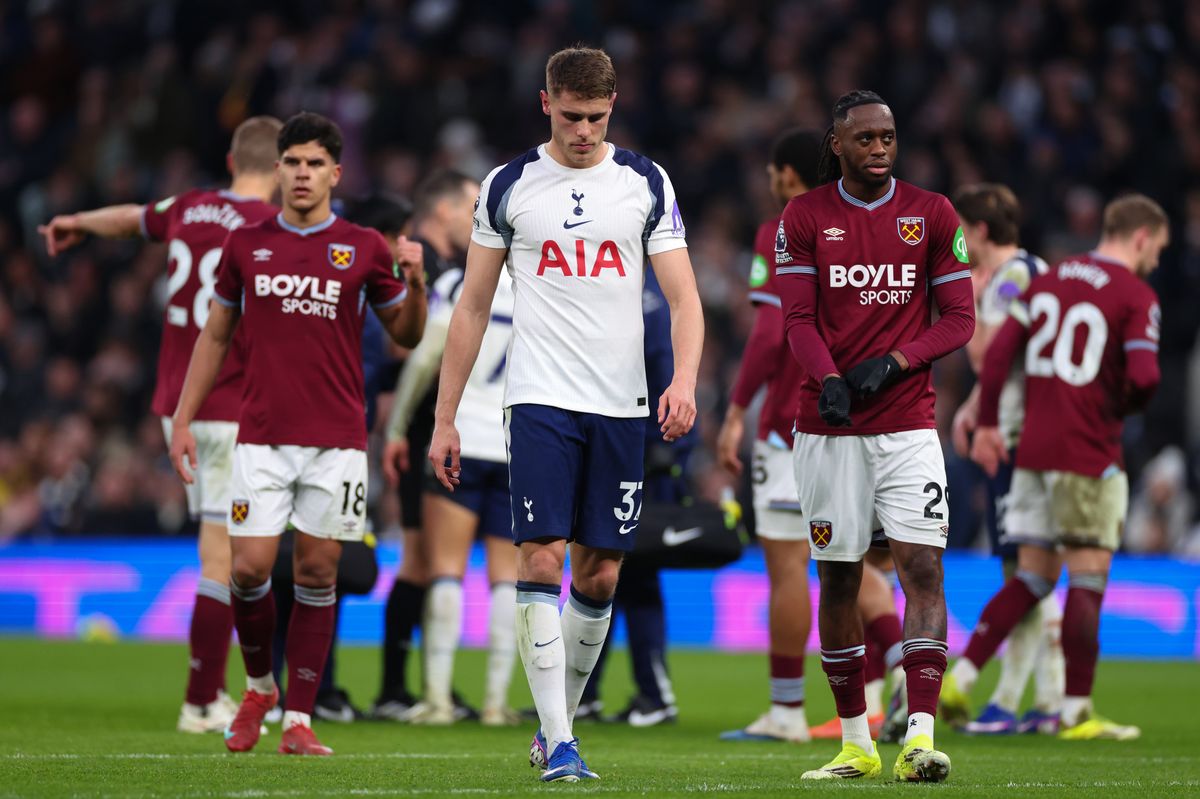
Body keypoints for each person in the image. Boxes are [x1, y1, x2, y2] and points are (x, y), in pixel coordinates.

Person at [427, 46, 703, 782]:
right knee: (542, 555)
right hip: (540, 398)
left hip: (622, 405)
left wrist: (684, 381)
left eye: (598, 118)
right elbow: (474, 306)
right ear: (546, 103)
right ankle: (561, 740)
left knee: (602, 574)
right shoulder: (509, 185)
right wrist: (444, 418)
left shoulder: (644, 181)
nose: (584, 130)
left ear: (613, 110)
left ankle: (559, 726)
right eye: (573, 116)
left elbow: (683, 298)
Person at [169, 111, 426, 756]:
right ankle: (260, 686)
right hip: (258, 435)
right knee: (249, 570)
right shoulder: (247, 245)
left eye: (315, 164)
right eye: (293, 162)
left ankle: (300, 720)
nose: (303, 173)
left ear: (335, 174)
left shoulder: (364, 246)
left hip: (338, 440)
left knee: (317, 571)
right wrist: (181, 418)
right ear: (278, 169)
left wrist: (415, 280)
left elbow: (408, 335)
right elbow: (216, 335)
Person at [37, 116, 283, 734]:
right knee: (222, 557)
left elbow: (129, 218)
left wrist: (74, 223)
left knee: (217, 549)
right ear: (280, 168)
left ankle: (208, 694)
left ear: (230, 160)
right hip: (232, 404)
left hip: (184, 405)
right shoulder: (267, 227)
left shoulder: (191, 208)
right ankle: (201, 699)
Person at [776, 89, 974, 782]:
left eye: (888, 136)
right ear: (838, 145)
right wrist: (828, 379)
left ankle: (919, 736)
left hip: (908, 425)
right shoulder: (802, 218)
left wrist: (893, 362)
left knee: (923, 568)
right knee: (839, 578)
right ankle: (856, 742)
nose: (880, 147)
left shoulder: (933, 213)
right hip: (827, 432)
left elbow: (958, 319)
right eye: (865, 138)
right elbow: (796, 319)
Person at [944, 193, 1167, 741]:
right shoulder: (1135, 294)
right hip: (1088, 448)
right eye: (1156, 250)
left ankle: (964, 674)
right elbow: (1145, 378)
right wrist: (1117, 410)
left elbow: (996, 356)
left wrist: (991, 421)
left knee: (1032, 575)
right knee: (1087, 577)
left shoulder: (1051, 276)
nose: (1156, 262)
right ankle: (1074, 711)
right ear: (1140, 238)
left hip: (1032, 450)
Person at [383, 251, 520, 727]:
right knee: (508, 579)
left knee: (446, 571)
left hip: (462, 441)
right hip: (516, 447)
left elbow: (424, 359)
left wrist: (398, 428)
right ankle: (495, 704)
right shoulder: (541, 282)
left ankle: (438, 700)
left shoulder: (465, 281)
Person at [947, 183, 1063, 735]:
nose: (958, 243)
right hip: (1017, 427)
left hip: (1017, 435)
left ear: (981, 232)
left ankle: (1003, 695)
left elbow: (984, 353)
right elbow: (998, 369)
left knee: (1027, 571)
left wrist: (970, 297)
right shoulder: (1031, 269)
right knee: (1029, 572)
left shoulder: (1009, 278)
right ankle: (1045, 701)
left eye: (962, 233)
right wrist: (972, 409)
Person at [373, 171, 479, 721]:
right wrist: (396, 424)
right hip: (422, 428)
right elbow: (401, 347)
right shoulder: (429, 271)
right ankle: (397, 686)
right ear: (442, 211)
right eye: (470, 207)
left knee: (426, 562)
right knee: (420, 561)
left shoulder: (450, 271)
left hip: (434, 426)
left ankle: (418, 685)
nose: (476, 218)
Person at [577, 266, 697, 727]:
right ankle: (585, 692)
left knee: (635, 575)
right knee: (600, 572)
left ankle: (655, 695)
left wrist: (668, 451)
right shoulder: (641, 291)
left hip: (641, 454)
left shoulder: (645, 298)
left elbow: (665, 374)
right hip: (626, 449)